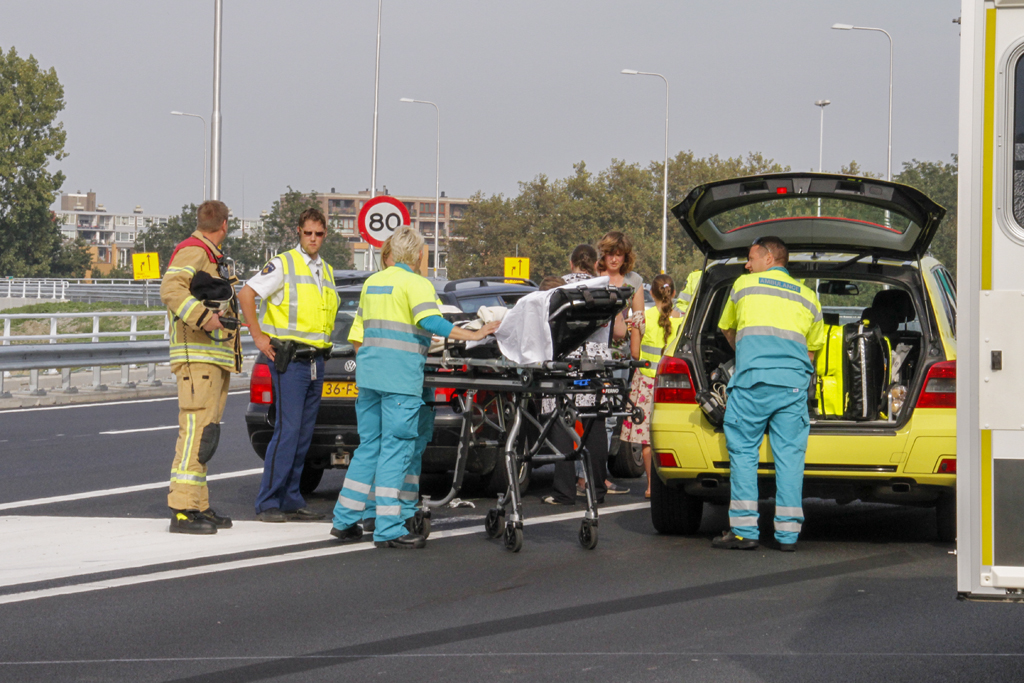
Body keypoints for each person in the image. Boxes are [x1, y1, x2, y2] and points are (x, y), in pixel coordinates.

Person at [330, 226, 499, 549]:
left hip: (369, 376)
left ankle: (344, 520)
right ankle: (389, 527)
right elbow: (429, 321)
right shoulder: (417, 283)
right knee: (396, 451)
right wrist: (474, 334)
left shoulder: (372, 282)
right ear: (419, 254)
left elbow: (360, 332)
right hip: (399, 378)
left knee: (368, 448)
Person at [713, 236, 824, 552]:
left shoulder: (744, 286)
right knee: (790, 458)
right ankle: (787, 536)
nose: (747, 265)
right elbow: (813, 350)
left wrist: (747, 353)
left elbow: (727, 328)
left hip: (752, 383)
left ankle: (744, 531)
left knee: (743, 453)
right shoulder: (809, 297)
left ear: (769, 258)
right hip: (792, 387)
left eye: (751, 258)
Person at [237, 207, 338, 523]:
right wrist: (258, 337)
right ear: (299, 232)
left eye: (318, 234)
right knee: (288, 431)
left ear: (325, 235)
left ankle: (292, 498)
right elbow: (245, 295)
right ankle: (268, 501)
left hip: (316, 361)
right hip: (290, 361)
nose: (313, 239)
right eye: (308, 233)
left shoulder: (326, 270)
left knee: (303, 434)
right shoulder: (284, 264)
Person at [161, 199, 242, 535]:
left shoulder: (209, 254)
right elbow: (170, 289)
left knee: (206, 435)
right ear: (225, 225)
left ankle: (198, 504)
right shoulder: (194, 251)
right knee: (195, 432)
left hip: (211, 359)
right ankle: (182, 510)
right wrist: (204, 317)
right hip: (197, 359)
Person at [622, 274, 683, 498]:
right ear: (673, 293)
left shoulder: (641, 319)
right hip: (671, 383)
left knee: (647, 438)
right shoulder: (682, 319)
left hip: (646, 383)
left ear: (651, 293)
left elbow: (635, 353)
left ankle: (650, 486)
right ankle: (673, 485)